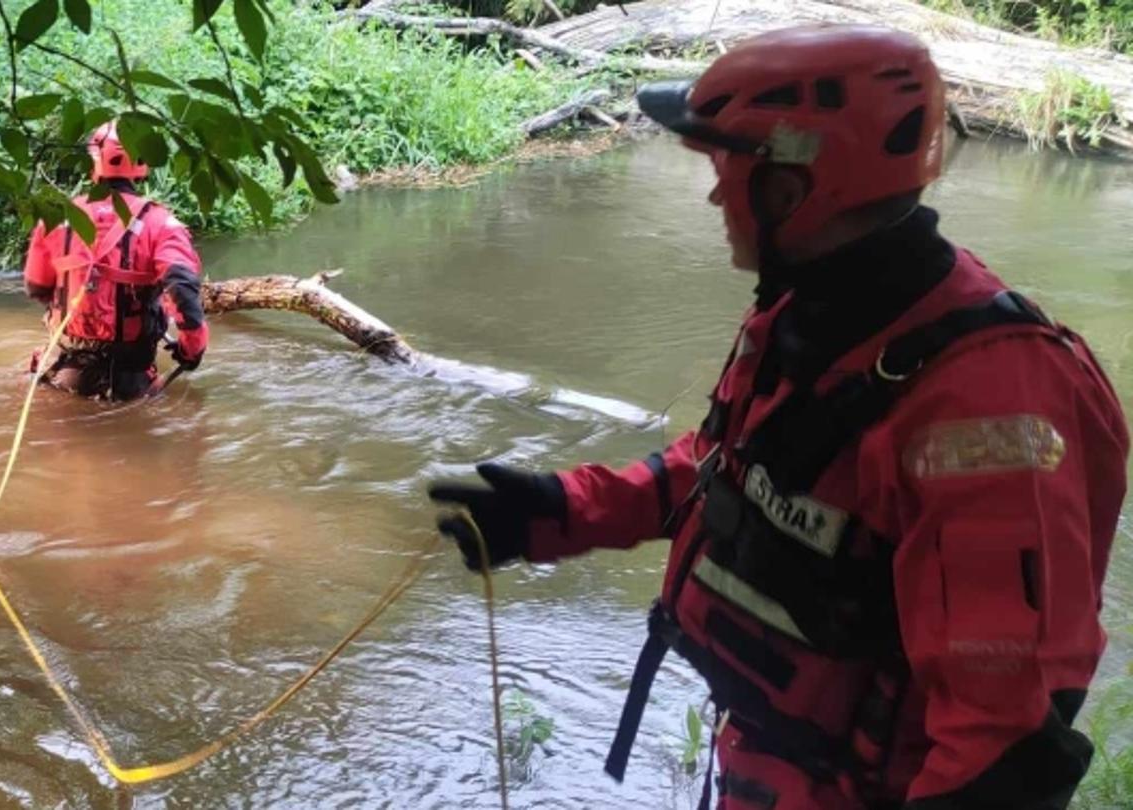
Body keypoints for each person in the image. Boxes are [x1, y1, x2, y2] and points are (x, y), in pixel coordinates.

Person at [428, 25, 1128, 810]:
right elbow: (735, 469)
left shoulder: (988, 409)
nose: (716, 192)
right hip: (771, 766)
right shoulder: (817, 313)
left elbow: (1001, 745)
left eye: (728, 164)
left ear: (793, 190)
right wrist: (559, 513)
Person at [22, 121, 209, 401]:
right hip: (128, 378)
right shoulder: (162, 224)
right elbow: (182, 289)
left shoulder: (57, 218)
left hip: (63, 368)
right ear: (141, 162)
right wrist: (191, 349)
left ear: (93, 161)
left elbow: (36, 287)